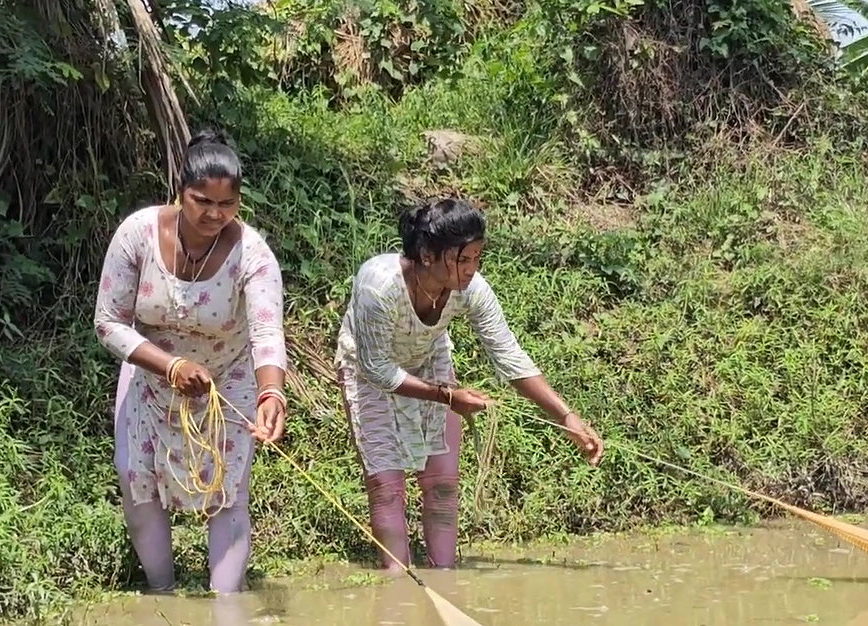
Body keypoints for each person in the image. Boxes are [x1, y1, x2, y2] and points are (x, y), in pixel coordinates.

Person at [333, 196, 603, 573]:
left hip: (429, 359)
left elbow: (507, 353)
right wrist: (447, 397)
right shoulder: (378, 285)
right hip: (369, 369)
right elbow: (378, 369)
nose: (471, 269)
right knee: (386, 487)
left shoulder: (470, 289)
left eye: (477, 258)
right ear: (428, 255)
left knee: (442, 485)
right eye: (462, 259)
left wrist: (566, 417)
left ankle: (443, 577)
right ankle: (399, 584)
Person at [93, 129, 288, 595]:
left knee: (230, 493)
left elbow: (266, 331)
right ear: (180, 192)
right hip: (150, 379)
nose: (215, 214)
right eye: (203, 201)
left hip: (228, 380)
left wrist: (271, 392)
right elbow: (108, 323)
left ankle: (228, 603)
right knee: (134, 478)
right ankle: (162, 591)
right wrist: (171, 367)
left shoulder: (253, 255)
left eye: (228, 204)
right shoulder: (136, 235)